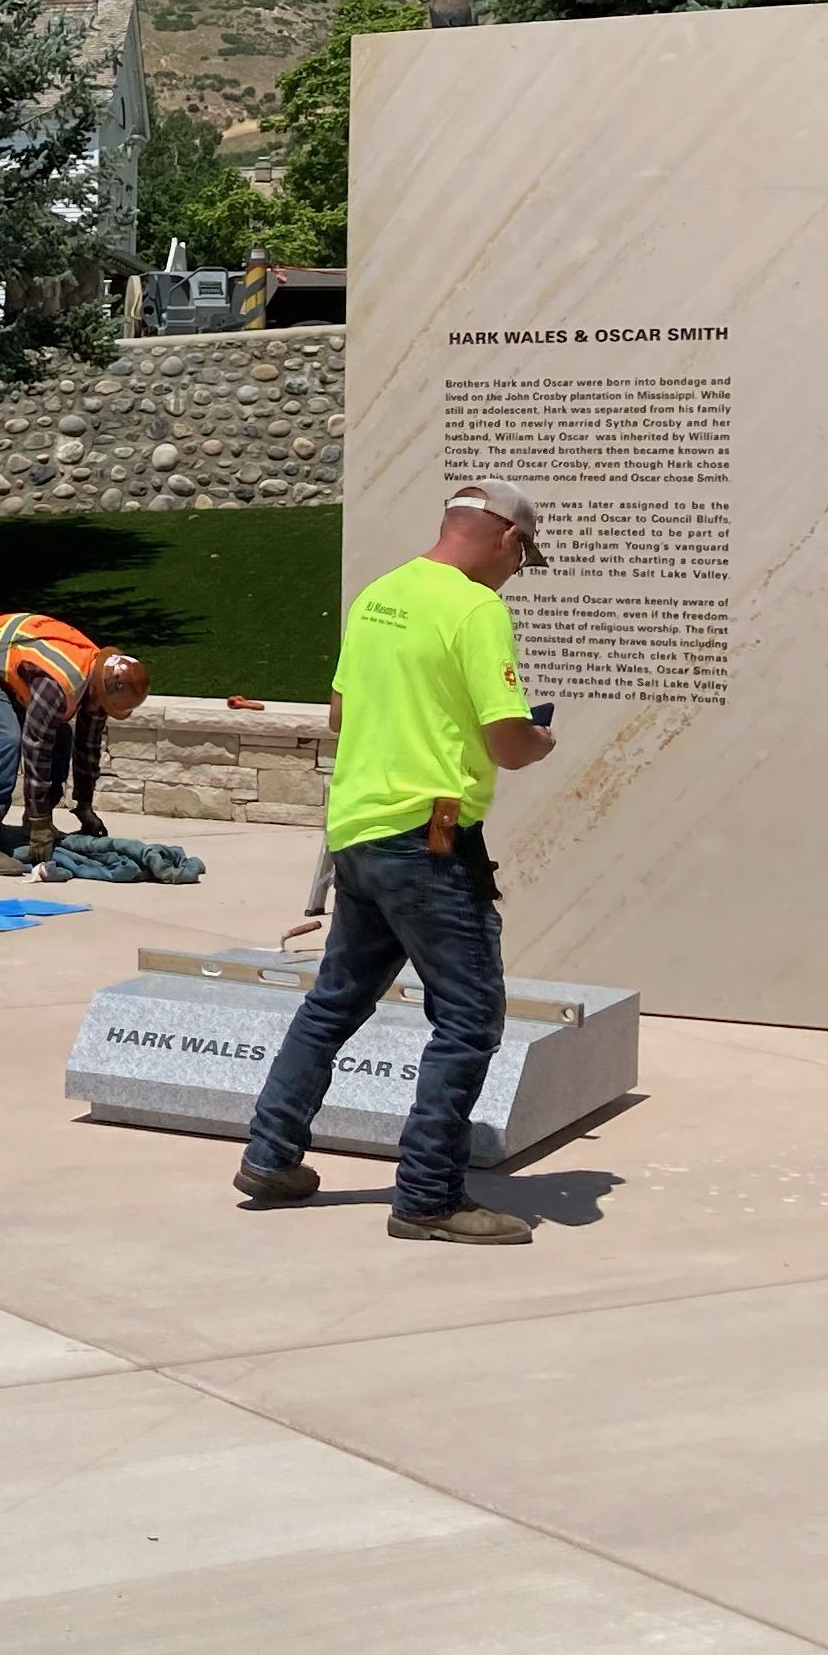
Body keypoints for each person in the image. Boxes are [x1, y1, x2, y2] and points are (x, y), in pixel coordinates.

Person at [236, 479, 561, 1246]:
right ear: (508, 539)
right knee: (470, 1017)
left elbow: (341, 714)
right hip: (432, 840)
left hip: (358, 834)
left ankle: (271, 1153)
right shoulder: (476, 609)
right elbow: (509, 744)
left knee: (336, 1001)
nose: (516, 573)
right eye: (522, 558)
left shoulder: (379, 596)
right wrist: (541, 739)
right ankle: (429, 1196)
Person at [0, 613, 150, 874]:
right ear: (99, 689)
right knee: (6, 740)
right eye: (103, 705)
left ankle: (33, 825)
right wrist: (40, 822)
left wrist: (84, 805)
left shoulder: (97, 672)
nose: (100, 710)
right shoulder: (60, 682)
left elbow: (89, 745)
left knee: (61, 735)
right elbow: (35, 746)